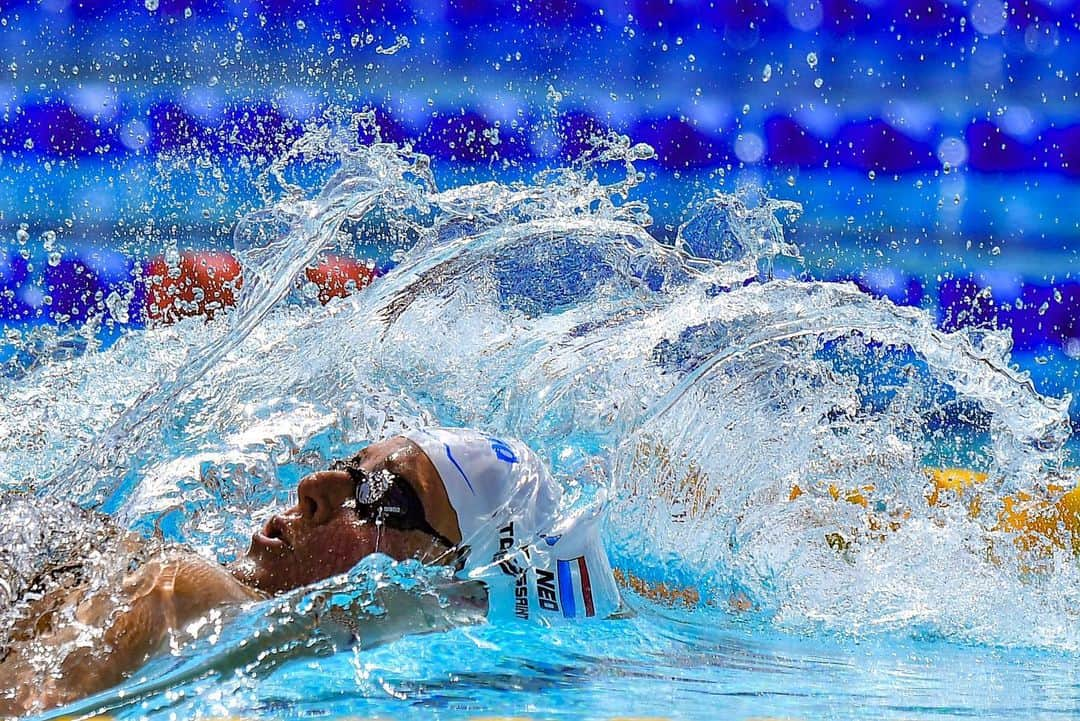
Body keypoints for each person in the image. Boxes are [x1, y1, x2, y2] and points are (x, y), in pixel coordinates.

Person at [0, 428, 621, 717]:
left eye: (380, 493)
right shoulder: (184, 590)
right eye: (350, 465)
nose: (312, 488)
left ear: (446, 581)